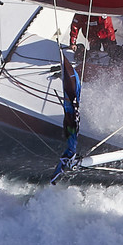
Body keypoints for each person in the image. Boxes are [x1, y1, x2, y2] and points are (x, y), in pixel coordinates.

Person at [48, 42, 81, 186]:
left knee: (70, 147)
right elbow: (75, 83)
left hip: (71, 122)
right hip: (71, 119)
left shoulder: (71, 104)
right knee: (70, 143)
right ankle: (57, 178)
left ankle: (56, 177)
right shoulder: (74, 94)